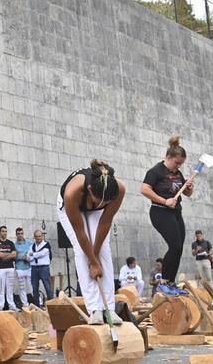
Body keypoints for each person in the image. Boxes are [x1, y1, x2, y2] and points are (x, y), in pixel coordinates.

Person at [57, 159, 126, 324]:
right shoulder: (71, 193)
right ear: (89, 189)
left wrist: (95, 258)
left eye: (106, 202)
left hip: (96, 214)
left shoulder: (119, 189)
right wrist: (91, 261)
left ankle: (109, 308)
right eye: (98, 201)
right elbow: (80, 232)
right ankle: (94, 308)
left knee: (104, 249)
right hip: (73, 208)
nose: (101, 204)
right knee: (82, 252)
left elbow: (105, 222)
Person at [141, 136, 195, 296]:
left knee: (178, 248)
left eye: (181, 164)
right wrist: (165, 201)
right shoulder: (155, 171)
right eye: (177, 163)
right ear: (169, 158)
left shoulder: (177, 173)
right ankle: (163, 282)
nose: (178, 166)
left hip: (176, 212)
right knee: (175, 245)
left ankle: (171, 282)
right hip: (160, 212)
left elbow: (187, 193)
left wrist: (189, 188)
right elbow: (144, 189)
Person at [0, 225, 18, 311]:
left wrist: (4, 256)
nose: (4, 233)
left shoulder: (10, 243)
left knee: (10, 288)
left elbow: (14, 254)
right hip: (0, 268)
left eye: (6, 231)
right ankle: (0, 306)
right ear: (0, 232)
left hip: (10, 267)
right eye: (3, 231)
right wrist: (9, 255)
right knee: (1, 288)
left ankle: (12, 305)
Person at [13, 227, 32, 309]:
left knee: (31, 286)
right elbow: (14, 257)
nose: (20, 235)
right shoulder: (14, 245)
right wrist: (22, 256)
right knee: (22, 287)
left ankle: (39, 302)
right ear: (16, 235)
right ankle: (25, 304)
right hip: (19, 268)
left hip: (28, 267)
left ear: (23, 234)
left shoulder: (29, 243)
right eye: (18, 234)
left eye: (21, 233)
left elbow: (33, 253)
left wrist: (27, 257)